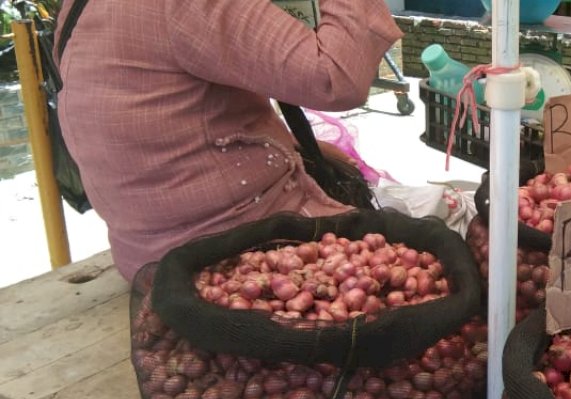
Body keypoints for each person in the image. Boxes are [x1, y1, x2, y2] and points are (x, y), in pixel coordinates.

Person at [54, 0, 402, 281]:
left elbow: (158, 105)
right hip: (235, 255)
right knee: (421, 257)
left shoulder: (79, 7)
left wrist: (291, 144)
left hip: (142, 254)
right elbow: (334, 77)